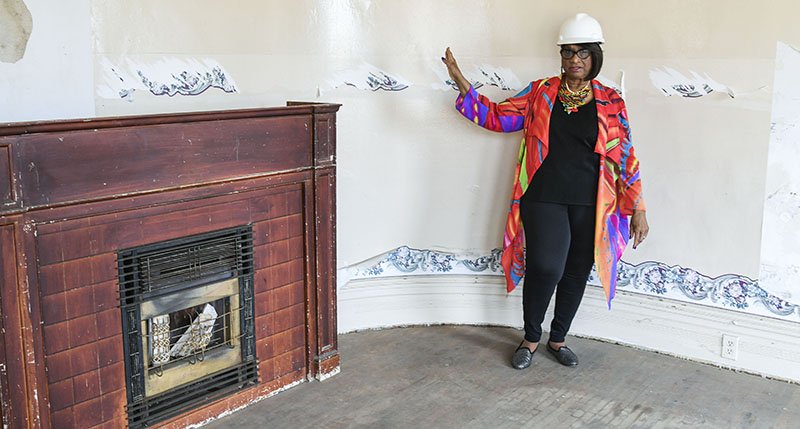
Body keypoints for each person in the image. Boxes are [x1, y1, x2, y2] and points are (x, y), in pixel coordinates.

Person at [441, 13, 649, 370]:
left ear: (595, 56)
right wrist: (463, 84)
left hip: (591, 201)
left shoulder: (610, 100)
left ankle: (558, 338)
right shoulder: (540, 92)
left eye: (582, 53)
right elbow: (498, 117)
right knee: (546, 266)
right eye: (568, 53)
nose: (574, 61)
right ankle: (531, 337)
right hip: (543, 195)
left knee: (575, 270)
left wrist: (638, 207)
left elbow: (625, 151)